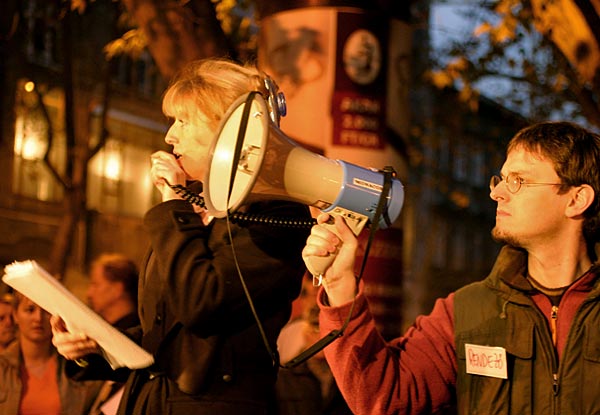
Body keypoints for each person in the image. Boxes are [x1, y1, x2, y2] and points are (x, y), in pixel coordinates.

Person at [51, 57, 311, 415]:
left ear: (229, 129)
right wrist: (96, 346)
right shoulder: (195, 209)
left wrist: (173, 205)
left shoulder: (273, 213)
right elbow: (166, 336)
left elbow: (202, 303)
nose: (170, 135)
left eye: (183, 121)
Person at [302, 121, 600, 414]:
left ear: (576, 200)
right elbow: (384, 398)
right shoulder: (466, 313)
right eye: (500, 180)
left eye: (518, 181)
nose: (497, 193)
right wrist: (340, 284)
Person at [0, 291, 102, 414]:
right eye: (30, 310)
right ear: (15, 315)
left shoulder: (74, 366)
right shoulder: (3, 367)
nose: (38, 318)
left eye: (46, 310)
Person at [83, 253, 141, 415]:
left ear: (117, 289)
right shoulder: (105, 330)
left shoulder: (133, 336)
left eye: (95, 284)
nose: (89, 293)